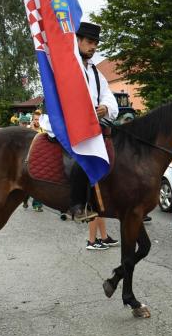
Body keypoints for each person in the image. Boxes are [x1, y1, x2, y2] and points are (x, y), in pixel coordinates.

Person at [39, 21, 118, 221]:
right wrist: (86, 112)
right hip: (64, 122)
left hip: (90, 124)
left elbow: (108, 96)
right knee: (83, 155)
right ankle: (75, 204)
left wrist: (105, 108)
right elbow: (64, 98)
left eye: (96, 43)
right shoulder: (65, 66)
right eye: (90, 42)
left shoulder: (96, 72)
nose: (93, 47)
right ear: (78, 41)